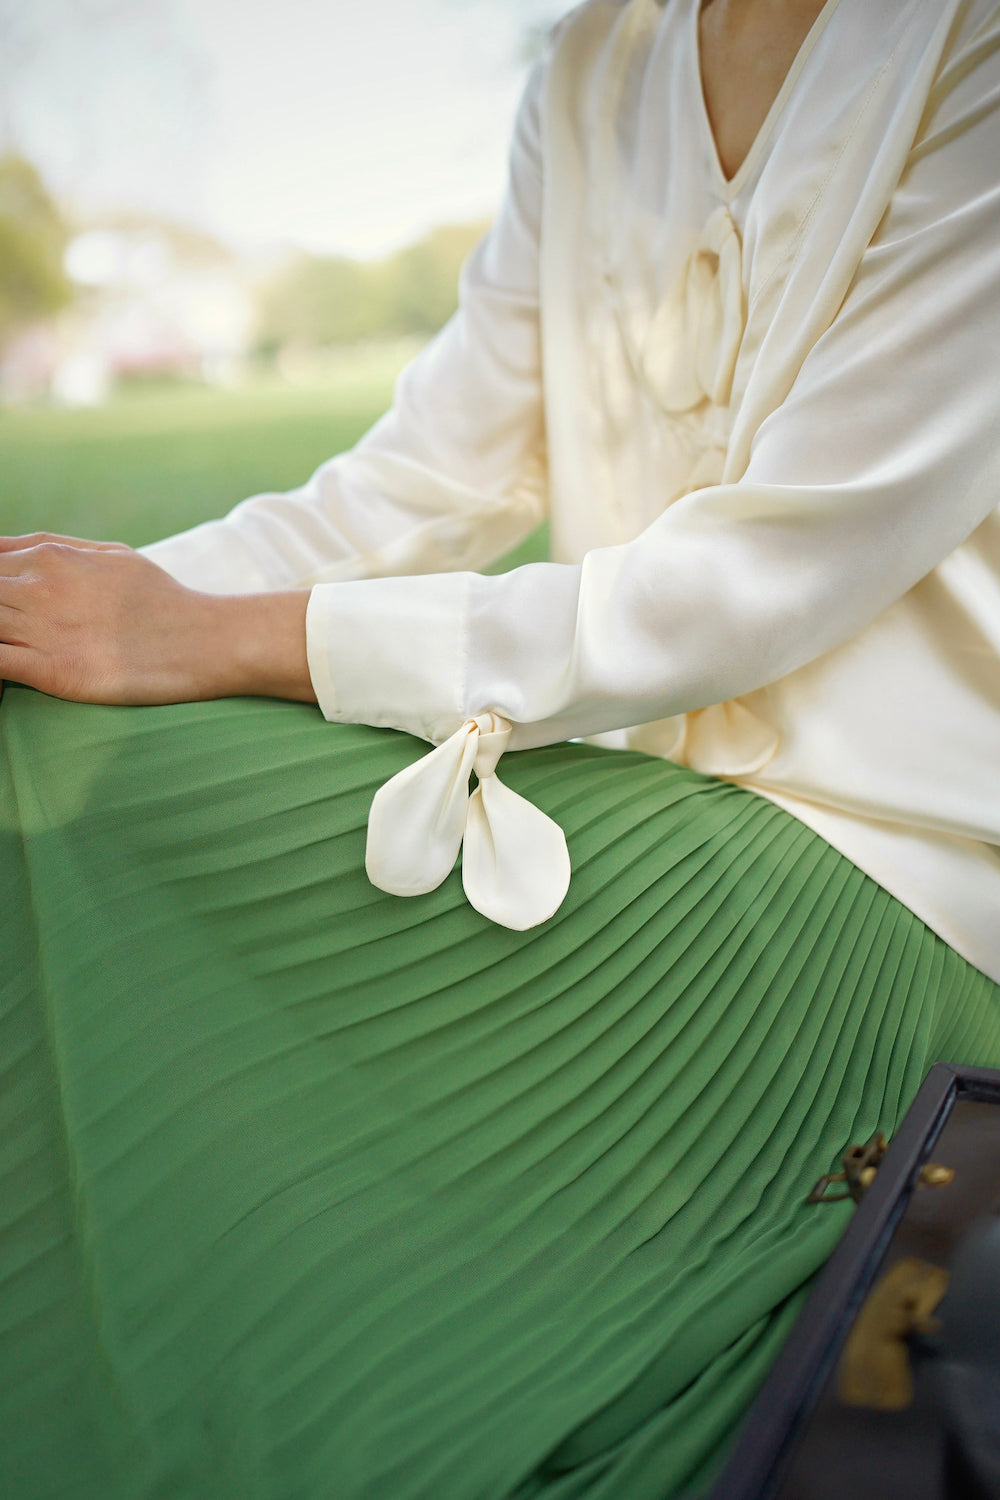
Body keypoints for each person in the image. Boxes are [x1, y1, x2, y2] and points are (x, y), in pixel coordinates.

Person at [2, 0, 999, 1495]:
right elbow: (401, 490)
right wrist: (72, 616)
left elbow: (751, 587)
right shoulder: (599, 64)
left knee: (107, 799)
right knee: (35, 736)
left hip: (892, 884)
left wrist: (203, 642)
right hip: (651, 825)